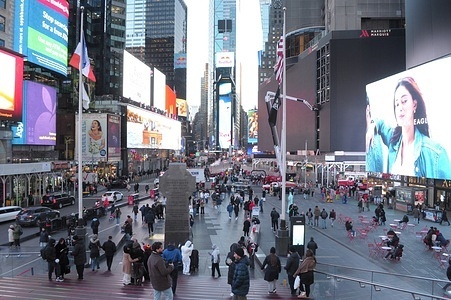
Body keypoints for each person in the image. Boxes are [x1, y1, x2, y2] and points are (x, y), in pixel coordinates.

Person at [366, 76, 451, 178]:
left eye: (404, 101)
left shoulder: (436, 153)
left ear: (414, 105)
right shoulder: (394, 140)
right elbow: (380, 122)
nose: (400, 108)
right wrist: (372, 125)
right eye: (396, 104)